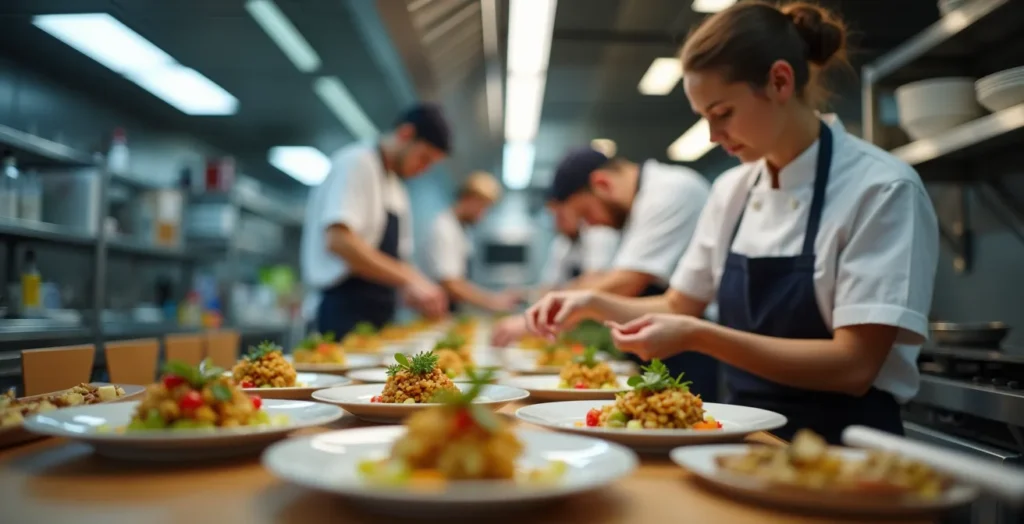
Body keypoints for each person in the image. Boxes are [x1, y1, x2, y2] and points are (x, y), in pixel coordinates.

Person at [526, 1, 939, 444]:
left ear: (780, 81)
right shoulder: (732, 191)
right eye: (704, 118)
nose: (712, 135)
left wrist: (701, 336)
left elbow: (853, 366)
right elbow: (678, 306)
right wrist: (591, 302)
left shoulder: (880, 188)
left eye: (722, 113)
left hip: (847, 448)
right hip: (746, 439)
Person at [526, 146, 720, 401]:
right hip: (668, 334)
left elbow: (627, 282)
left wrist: (548, 316)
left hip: (698, 341)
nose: (590, 225)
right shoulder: (636, 206)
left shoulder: (670, 192)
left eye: (586, 214)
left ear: (602, 183)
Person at [301, 103, 452, 337]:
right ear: (406, 134)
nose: (423, 169)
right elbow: (339, 240)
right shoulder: (357, 162)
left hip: (379, 314)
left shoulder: (397, 188)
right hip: (342, 311)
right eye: (424, 158)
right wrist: (409, 278)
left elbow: (397, 260)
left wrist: (415, 289)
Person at [490, 201, 619, 347]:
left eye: (561, 215)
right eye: (554, 216)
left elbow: (592, 283)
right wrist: (524, 294)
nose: (557, 222)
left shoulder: (598, 233)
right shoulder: (562, 243)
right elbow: (550, 288)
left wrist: (533, 320)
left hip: (599, 326)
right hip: (571, 326)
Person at [422, 171, 520, 313]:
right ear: (469, 198)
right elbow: (451, 284)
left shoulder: (461, 229)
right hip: (437, 311)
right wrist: (493, 302)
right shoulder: (444, 228)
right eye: (483, 207)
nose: (483, 214)